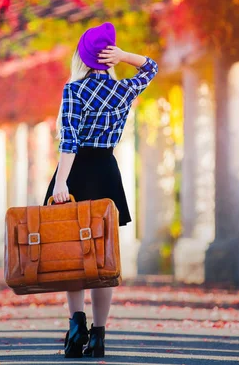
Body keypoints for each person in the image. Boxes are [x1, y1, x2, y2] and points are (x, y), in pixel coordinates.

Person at [43, 22, 158, 358]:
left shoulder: (74, 90)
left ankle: (76, 325)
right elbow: (150, 67)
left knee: (71, 254)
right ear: (107, 57)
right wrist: (124, 57)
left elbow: (69, 141)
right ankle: (99, 336)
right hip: (107, 174)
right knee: (102, 258)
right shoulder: (123, 90)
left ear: (81, 56)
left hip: (76, 174)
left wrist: (62, 182)